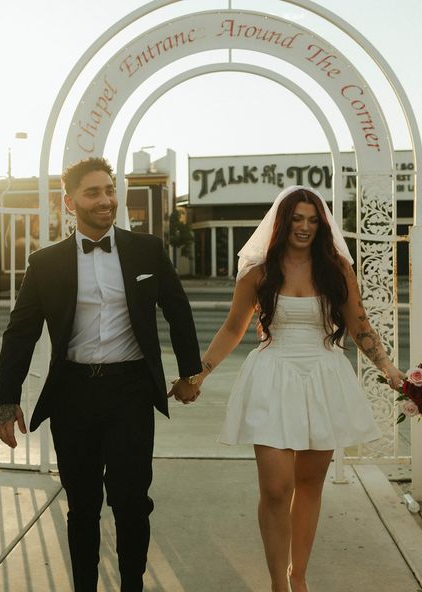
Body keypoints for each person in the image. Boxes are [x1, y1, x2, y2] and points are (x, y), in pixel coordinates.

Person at [170, 186, 404, 592]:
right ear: (282, 223)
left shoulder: (337, 271)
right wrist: (197, 375)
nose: (305, 227)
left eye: (313, 220)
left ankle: (299, 577)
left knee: (310, 484)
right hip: (272, 375)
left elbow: (360, 326)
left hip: (323, 376)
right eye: (297, 218)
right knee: (277, 487)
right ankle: (278, 581)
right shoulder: (259, 271)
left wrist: (390, 370)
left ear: (322, 225)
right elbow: (233, 327)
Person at [0, 157, 201, 592]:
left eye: (109, 189)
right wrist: (7, 401)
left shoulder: (146, 249)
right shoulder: (45, 263)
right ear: (69, 202)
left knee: (131, 503)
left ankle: (131, 587)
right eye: (93, 192)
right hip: (73, 395)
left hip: (130, 391)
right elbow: (20, 332)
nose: (106, 199)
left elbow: (178, 312)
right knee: (83, 505)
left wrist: (189, 374)